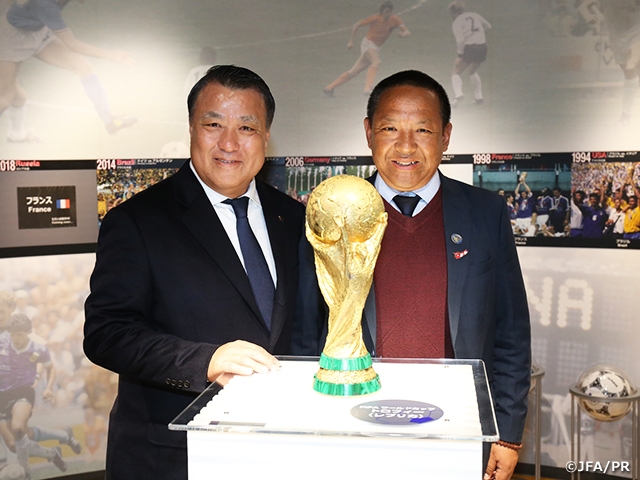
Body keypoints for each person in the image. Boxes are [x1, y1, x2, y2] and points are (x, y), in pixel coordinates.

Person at [83, 65, 318, 479]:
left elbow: (304, 327)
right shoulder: (137, 221)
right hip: (175, 456)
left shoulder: (293, 217)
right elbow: (107, 333)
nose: (229, 143)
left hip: (277, 450)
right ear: (191, 128)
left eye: (246, 128)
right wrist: (205, 361)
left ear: (266, 136)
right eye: (213, 124)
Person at [295, 69, 531, 480]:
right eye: (390, 128)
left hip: (457, 426)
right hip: (351, 424)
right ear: (368, 133)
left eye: (422, 129)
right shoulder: (331, 212)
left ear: (446, 136)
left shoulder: (485, 213)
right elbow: (304, 331)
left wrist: (508, 435)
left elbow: (511, 332)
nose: (406, 146)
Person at [0, 0, 137, 142]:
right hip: (11, 38)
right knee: (6, 98)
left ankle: (110, 121)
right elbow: (72, 44)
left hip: (38, 33)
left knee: (83, 66)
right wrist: (110, 54)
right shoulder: (46, 5)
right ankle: (16, 135)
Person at [323, 1, 410, 97]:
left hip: (376, 48)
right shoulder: (375, 18)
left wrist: (403, 34)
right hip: (368, 44)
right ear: (382, 12)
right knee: (376, 61)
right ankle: (368, 88)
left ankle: (329, 88)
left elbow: (406, 31)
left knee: (354, 71)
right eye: (386, 11)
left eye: (390, 11)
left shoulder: (395, 19)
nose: (388, 14)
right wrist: (351, 41)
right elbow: (357, 25)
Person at [448, 1, 491, 107]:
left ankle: (458, 95)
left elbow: (460, 41)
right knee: (472, 71)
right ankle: (479, 97)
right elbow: (488, 26)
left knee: (456, 72)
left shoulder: (456, 22)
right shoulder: (474, 15)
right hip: (482, 47)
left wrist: (460, 56)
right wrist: (478, 35)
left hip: (470, 49)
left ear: (453, 12)